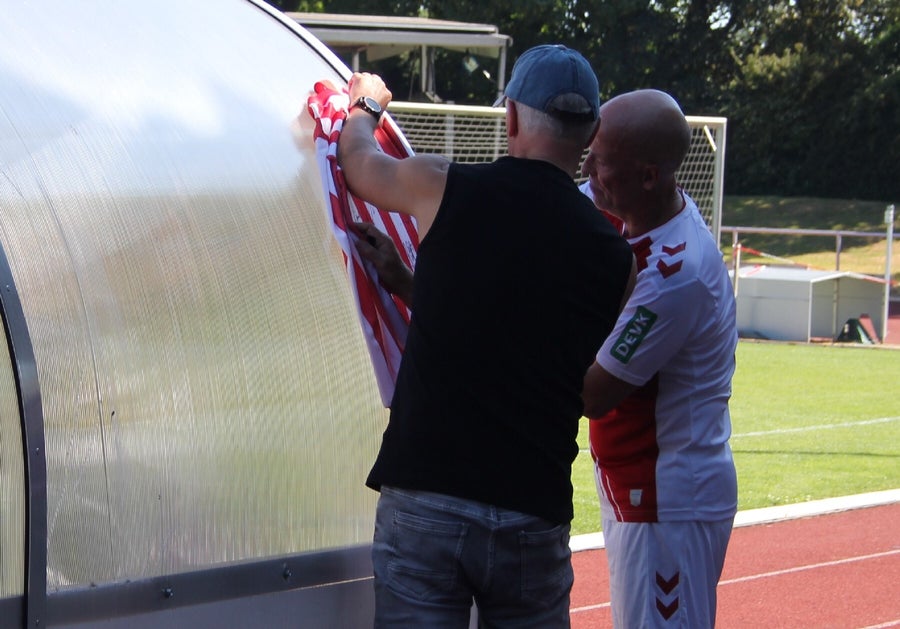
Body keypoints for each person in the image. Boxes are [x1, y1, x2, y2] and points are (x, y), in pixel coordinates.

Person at [332, 45, 635, 627]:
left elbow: (359, 162)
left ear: (512, 116)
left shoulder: (444, 186)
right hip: (533, 508)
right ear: (592, 132)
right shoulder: (616, 259)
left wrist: (366, 105)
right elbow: (535, 346)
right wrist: (409, 283)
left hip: (427, 492)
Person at [579, 89, 738, 628]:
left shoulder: (675, 275)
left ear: (648, 176)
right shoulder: (634, 208)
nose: (587, 171)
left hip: (666, 501)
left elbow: (594, 393)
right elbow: (550, 202)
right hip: (640, 487)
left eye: (600, 161)